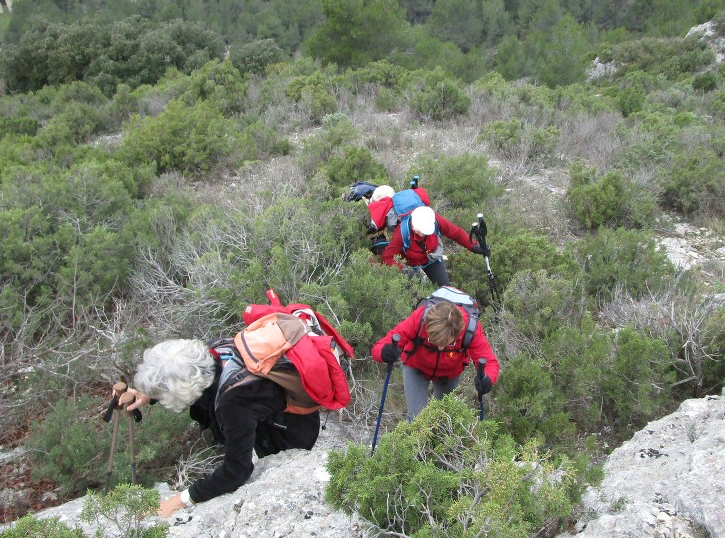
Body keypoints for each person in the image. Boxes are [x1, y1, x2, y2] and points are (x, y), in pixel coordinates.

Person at [116, 326, 345, 517]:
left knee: (251, 452)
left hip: (292, 433)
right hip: (269, 406)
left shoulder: (234, 403)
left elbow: (236, 471)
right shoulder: (214, 351)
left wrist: (180, 501)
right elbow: (183, 376)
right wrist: (150, 392)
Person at [371, 299, 500, 420]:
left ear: (458, 333)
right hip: (416, 366)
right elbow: (380, 346)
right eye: (433, 340)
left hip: (449, 373)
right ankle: (416, 444)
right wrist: (384, 352)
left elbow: (489, 362)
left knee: (442, 417)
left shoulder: (470, 329)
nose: (440, 347)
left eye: (447, 343)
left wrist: (487, 378)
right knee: (416, 417)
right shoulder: (419, 319)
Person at [379, 205, 487, 286]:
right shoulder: (402, 233)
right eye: (421, 231)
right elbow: (387, 258)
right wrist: (404, 270)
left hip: (432, 259)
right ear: (413, 226)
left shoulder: (434, 220)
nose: (424, 234)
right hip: (409, 264)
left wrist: (474, 246)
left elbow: (456, 233)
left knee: (445, 288)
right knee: (415, 299)